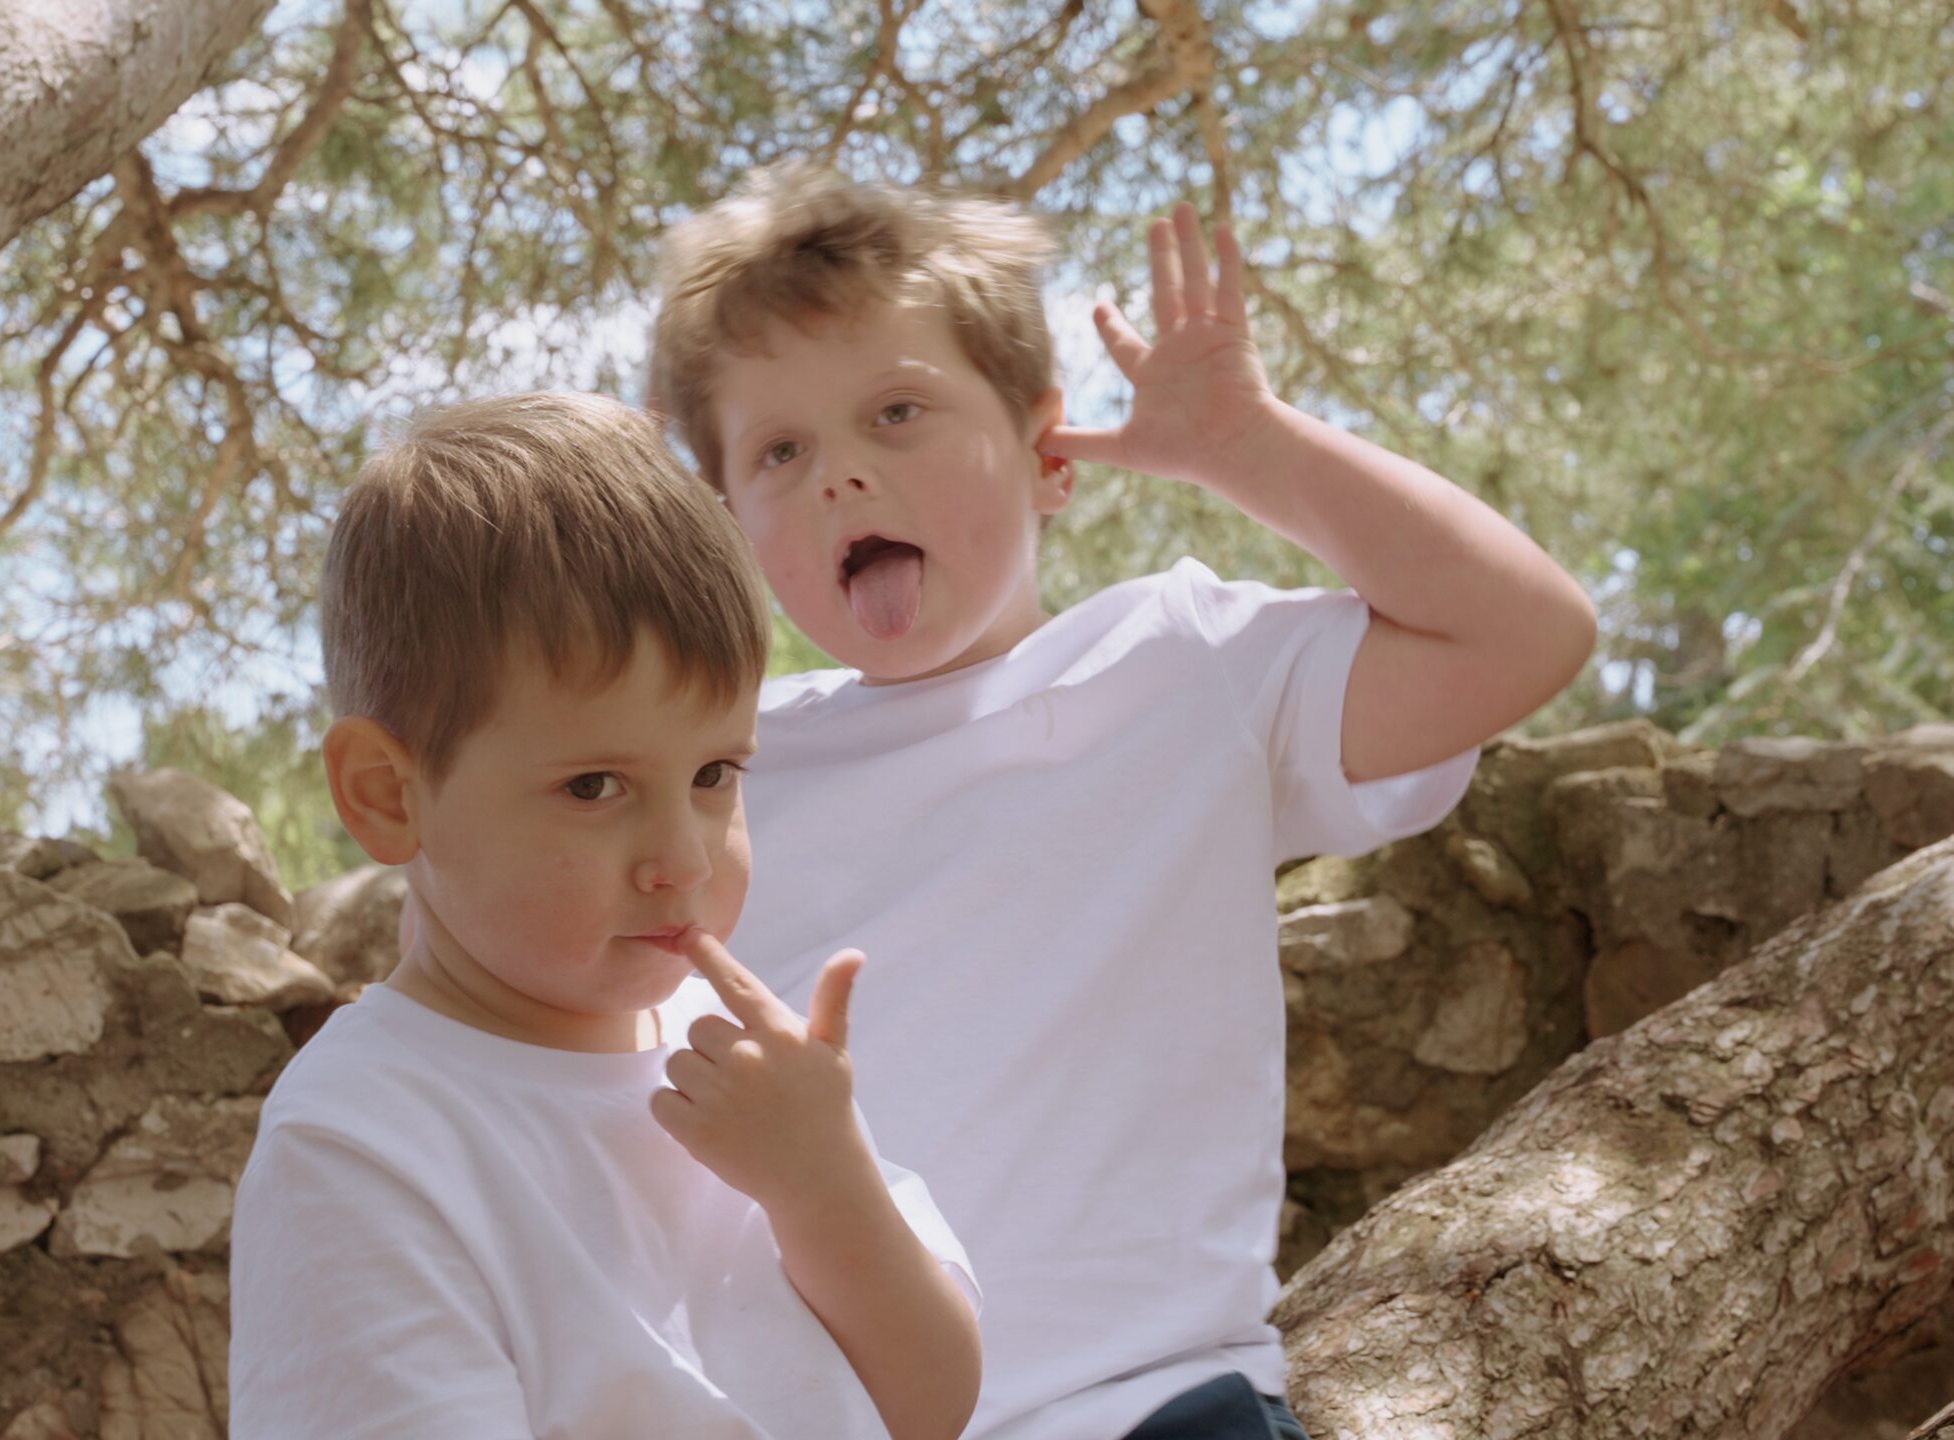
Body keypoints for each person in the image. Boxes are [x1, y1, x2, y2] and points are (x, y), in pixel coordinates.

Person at [644, 165, 1598, 1439]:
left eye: (897, 413)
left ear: (1048, 454)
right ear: (728, 527)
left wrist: (1249, 447)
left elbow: (1522, 633)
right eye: (780, 450)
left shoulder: (1177, 664)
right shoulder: (717, 775)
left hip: (1143, 1406)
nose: (840, 478)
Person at [226, 391, 982, 1440]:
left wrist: (826, 1188)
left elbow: (934, 1401)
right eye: (594, 787)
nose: (682, 858)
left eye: (715, 772)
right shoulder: (362, 1143)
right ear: (390, 796)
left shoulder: (750, 1080)